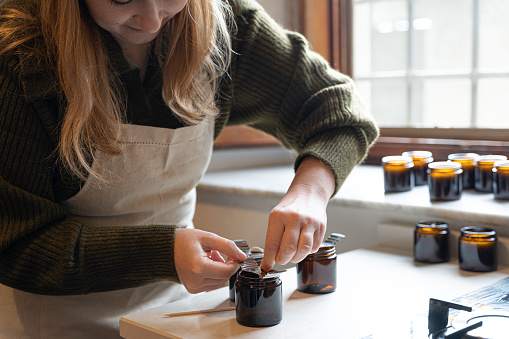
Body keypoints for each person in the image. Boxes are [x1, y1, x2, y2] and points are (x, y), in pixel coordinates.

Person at [0, 0, 379, 337]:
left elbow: (338, 111)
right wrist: (164, 253)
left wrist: (310, 192)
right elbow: (15, 243)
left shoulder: (231, 28)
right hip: (52, 320)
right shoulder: (19, 52)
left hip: (171, 314)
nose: (151, 22)